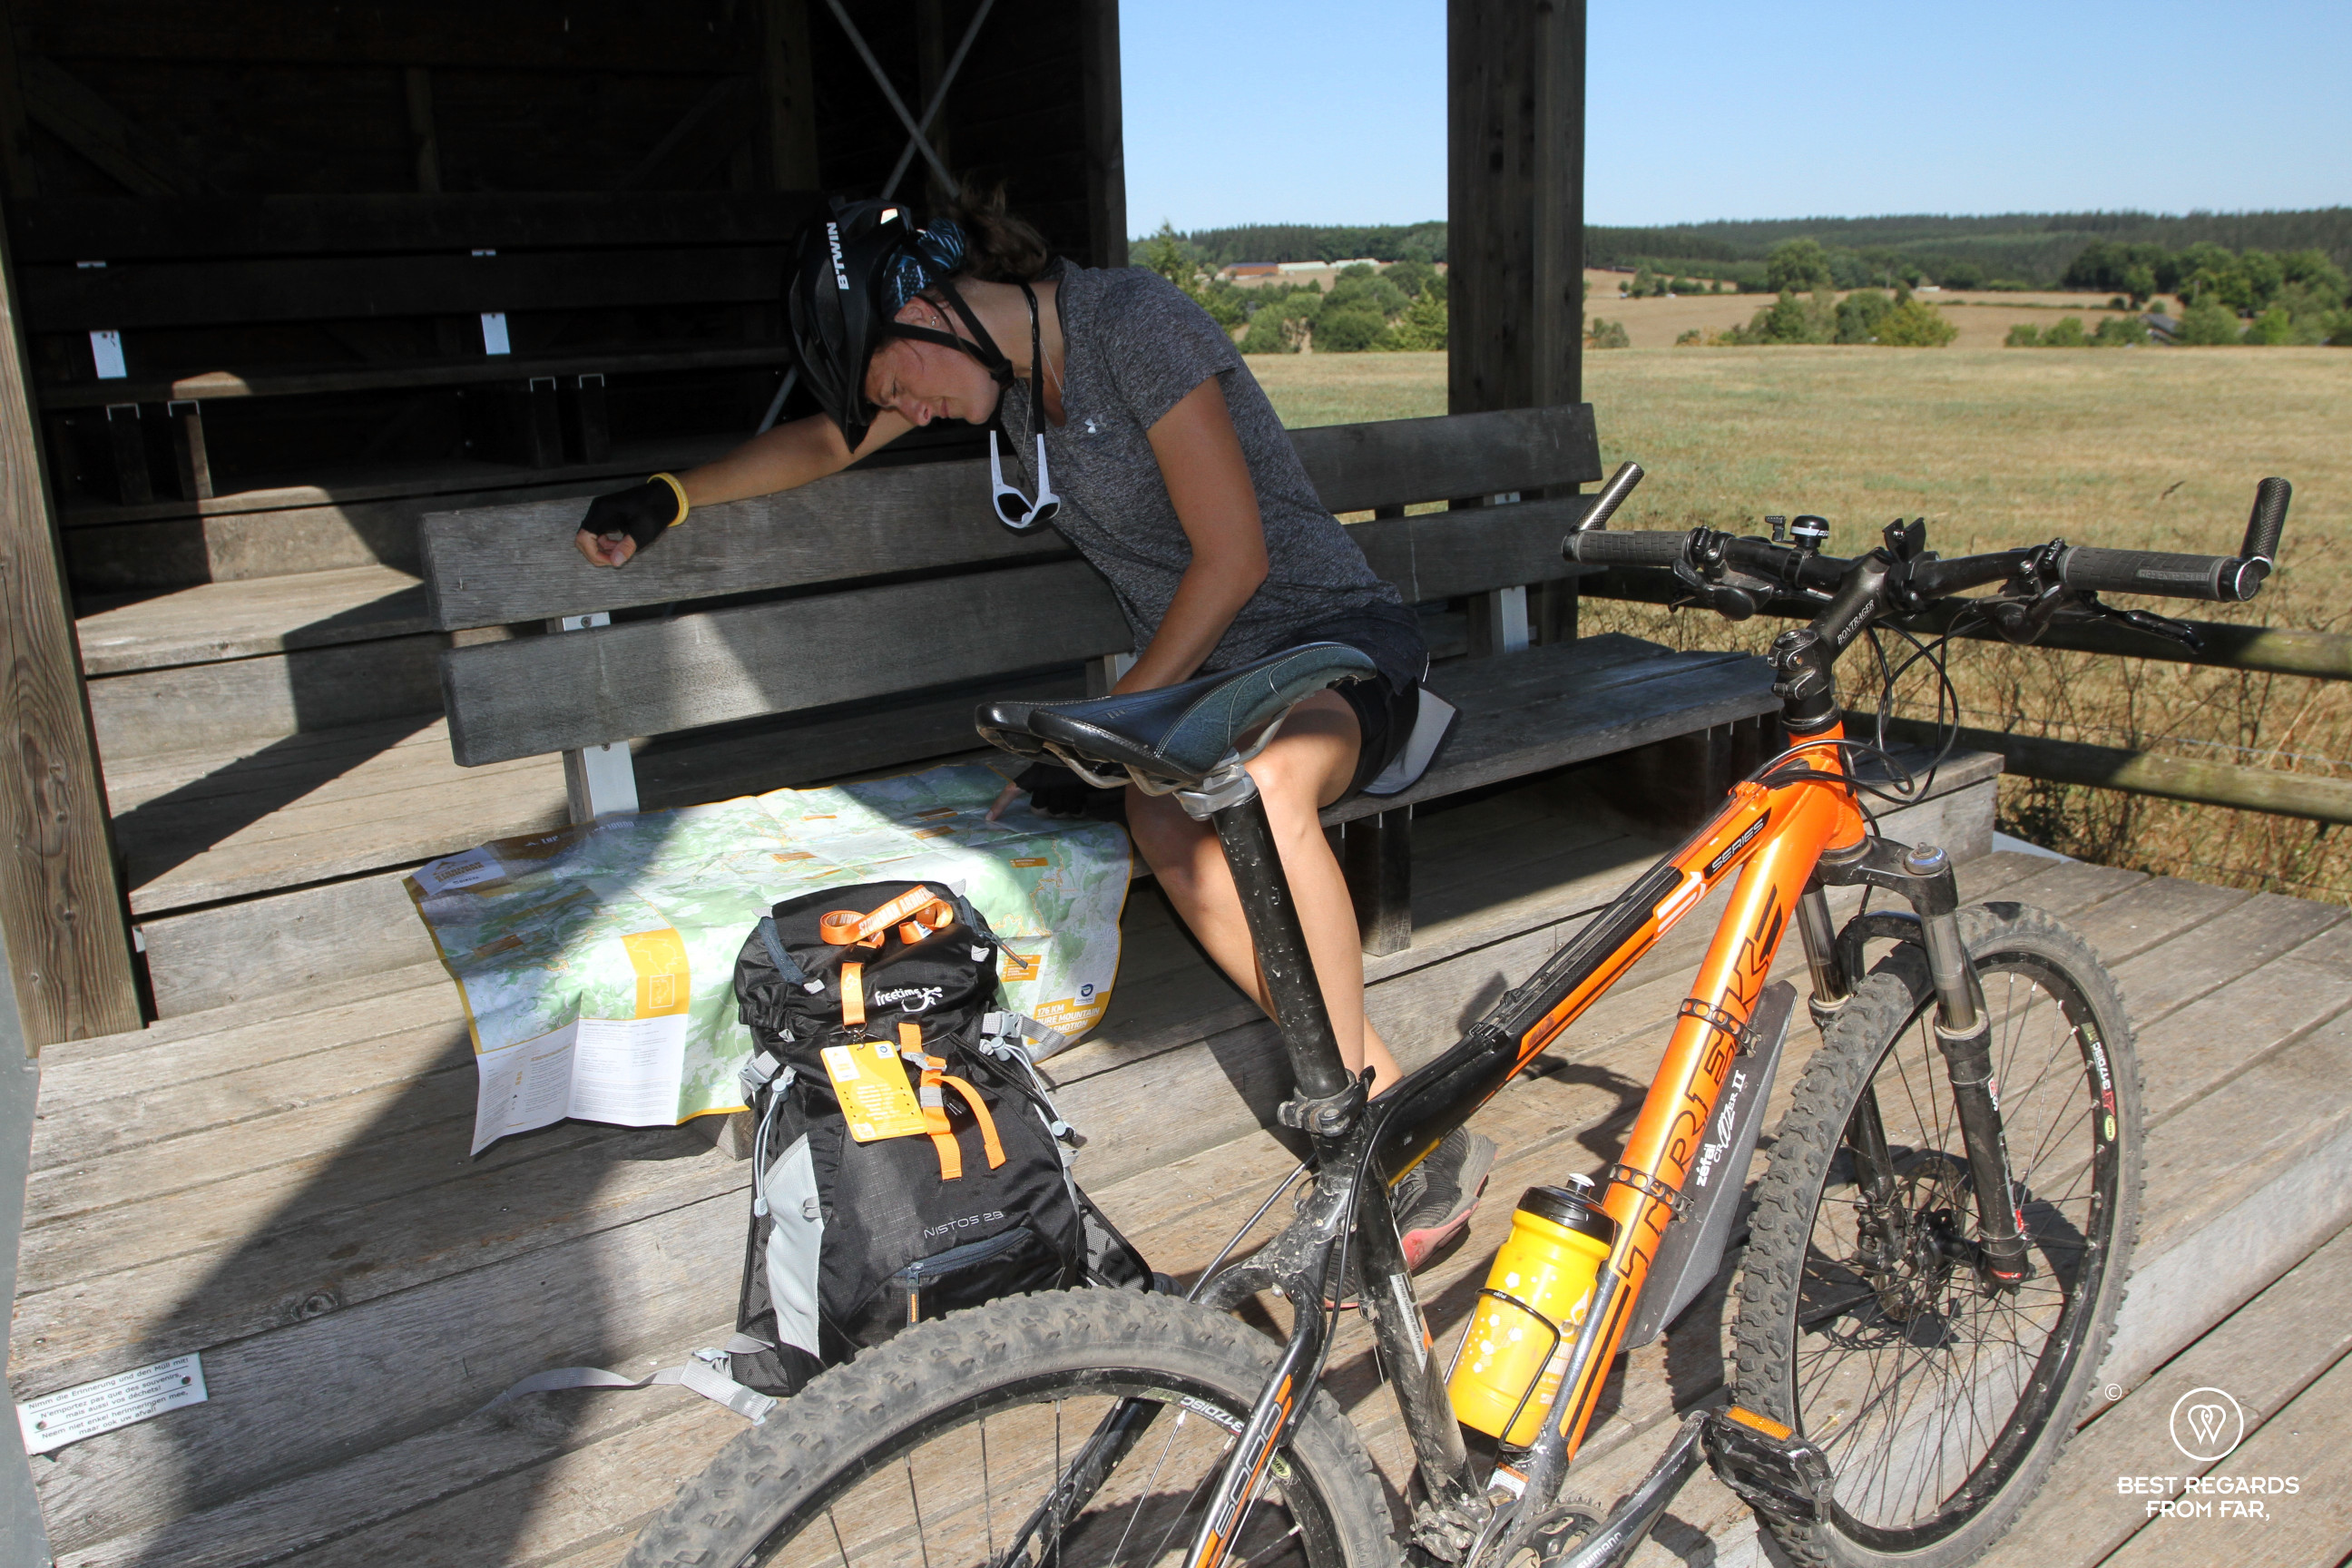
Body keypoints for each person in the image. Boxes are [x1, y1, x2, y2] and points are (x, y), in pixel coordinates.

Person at [573, 188, 1492, 1269]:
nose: (906, 414)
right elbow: (829, 439)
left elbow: (1234, 559)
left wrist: (1106, 728)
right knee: (1164, 822)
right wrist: (672, 493)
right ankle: (1389, 1106)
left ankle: (1351, 1128)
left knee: (1268, 785)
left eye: (896, 382)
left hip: (1335, 645)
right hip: (1215, 683)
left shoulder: (1132, 326)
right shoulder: (1004, 389)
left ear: (932, 311)